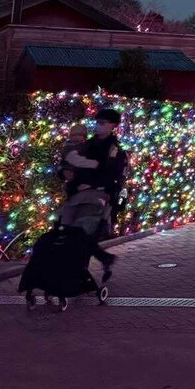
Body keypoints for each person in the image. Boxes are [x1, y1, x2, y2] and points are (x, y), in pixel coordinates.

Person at [60, 108, 122, 282]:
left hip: (96, 196)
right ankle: (101, 259)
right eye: (97, 122)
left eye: (103, 123)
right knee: (67, 230)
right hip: (77, 193)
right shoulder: (86, 144)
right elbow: (71, 163)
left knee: (82, 233)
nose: (98, 126)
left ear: (112, 126)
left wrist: (96, 185)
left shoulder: (113, 149)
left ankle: (79, 272)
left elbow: (112, 174)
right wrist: (65, 173)